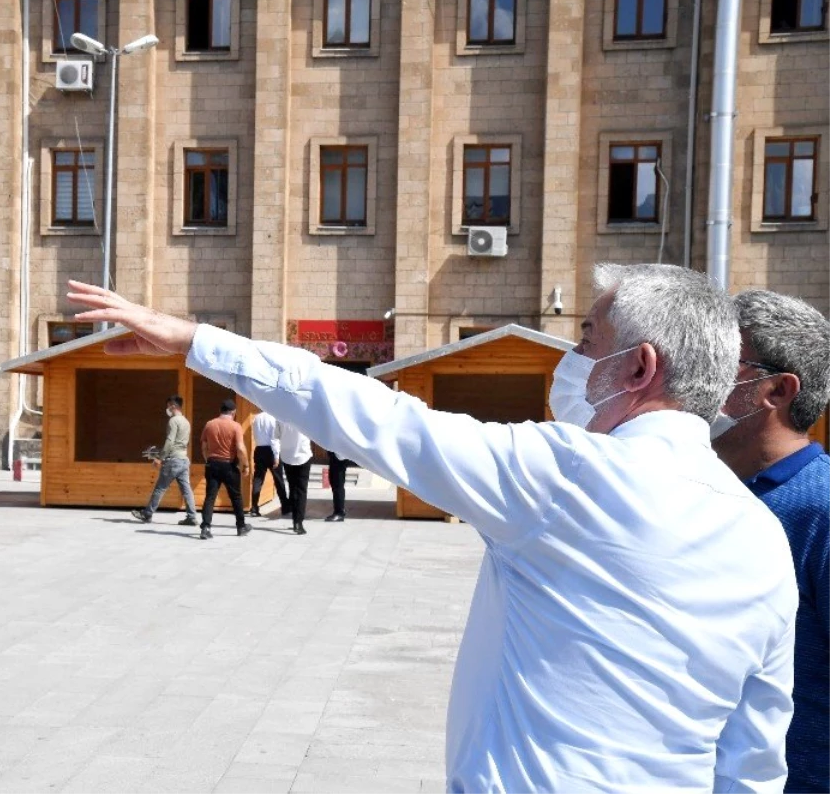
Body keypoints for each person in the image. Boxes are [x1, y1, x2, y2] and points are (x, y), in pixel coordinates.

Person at [66, 265, 798, 791]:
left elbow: (381, 419)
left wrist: (197, 339)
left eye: (585, 337)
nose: (571, 359)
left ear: (638, 366)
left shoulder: (567, 477)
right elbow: (754, 761)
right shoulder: (763, 538)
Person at [711, 289, 830, 793]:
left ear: (777, 391)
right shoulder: (704, 494)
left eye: (718, 361)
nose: (696, 376)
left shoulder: (820, 507)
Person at [131, 394, 199, 527]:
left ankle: (147, 514)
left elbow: (170, 441)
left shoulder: (173, 421)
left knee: (160, 488)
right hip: (183, 459)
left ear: (173, 406)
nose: (167, 408)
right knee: (187, 489)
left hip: (172, 460)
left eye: (168, 406)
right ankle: (192, 517)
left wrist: (159, 458)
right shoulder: (186, 421)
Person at [198, 398, 250, 540]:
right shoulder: (235, 426)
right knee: (236, 497)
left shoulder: (209, 424)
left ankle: (206, 527)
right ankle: (241, 527)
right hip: (229, 465)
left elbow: (203, 447)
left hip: (212, 463)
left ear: (220, 411)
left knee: (210, 497)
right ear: (233, 412)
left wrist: (208, 460)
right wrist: (245, 465)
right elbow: (240, 448)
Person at [273, 420, 312, 535]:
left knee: (293, 488)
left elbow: (275, 437)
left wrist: (276, 454)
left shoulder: (280, 416)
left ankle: (295, 520)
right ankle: (298, 522)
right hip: (303, 455)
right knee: (301, 490)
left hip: (287, 456)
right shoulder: (303, 415)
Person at [248, 410, 290, 517]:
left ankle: (254, 507)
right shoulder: (274, 418)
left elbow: (255, 434)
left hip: (259, 449)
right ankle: (285, 506)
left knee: (258, 478)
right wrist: (276, 455)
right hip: (271, 450)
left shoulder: (256, 418)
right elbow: (274, 439)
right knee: (278, 479)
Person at [325, 450, 350, 522]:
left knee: (338, 485)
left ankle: (340, 513)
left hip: (339, 457)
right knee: (334, 482)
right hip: (335, 456)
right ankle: (338, 511)